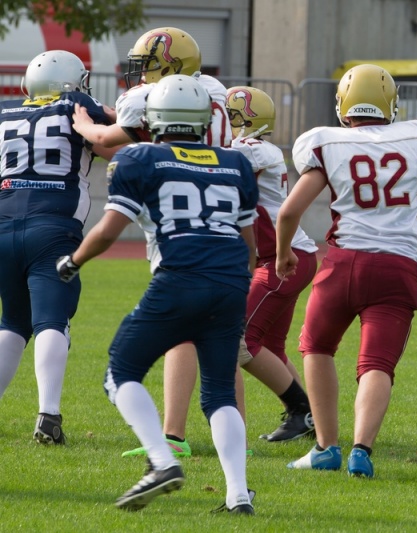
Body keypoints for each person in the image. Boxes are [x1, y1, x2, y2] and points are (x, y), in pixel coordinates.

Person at [56, 74, 258, 513]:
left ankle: (162, 462)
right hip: (230, 283)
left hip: (180, 277)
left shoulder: (142, 158)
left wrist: (73, 261)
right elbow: (250, 246)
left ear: (155, 118)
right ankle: (238, 495)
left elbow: (110, 231)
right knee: (220, 392)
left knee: (119, 373)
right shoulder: (235, 163)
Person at [275, 64, 417, 478]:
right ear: (392, 106)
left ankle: (325, 447)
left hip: (344, 262)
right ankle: (361, 452)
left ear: (342, 104)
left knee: (317, 348)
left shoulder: (326, 142)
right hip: (398, 265)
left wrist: (284, 253)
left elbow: (289, 212)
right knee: (376, 364)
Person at [72, 26, 239, 458]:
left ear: (169, 65)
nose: (140, 74)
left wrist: (86, 124)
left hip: (174, 212)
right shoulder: (214, 89)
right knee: (223, 333)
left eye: (146, 65)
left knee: (183, 329)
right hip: (221, 201)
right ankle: (235, 442)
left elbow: (115, 144)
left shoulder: (148, 97)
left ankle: (173, 436)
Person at [0, 50, 110, 444]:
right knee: (52, 318)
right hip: (53, 227)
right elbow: (117, 141)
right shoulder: (76, 105)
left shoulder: (5, 114)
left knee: (13, 321)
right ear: (72, 84)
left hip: (4, 224)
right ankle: (48, 415)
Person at [226, 85, 318, 441]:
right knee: (272, 347)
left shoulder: (250, 150)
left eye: (227, 117)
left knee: (238, 341)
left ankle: (303, 412)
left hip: (283, 259)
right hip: (288, 257)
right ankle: (309, 419)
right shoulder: (257, 149)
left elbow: (220, 161)